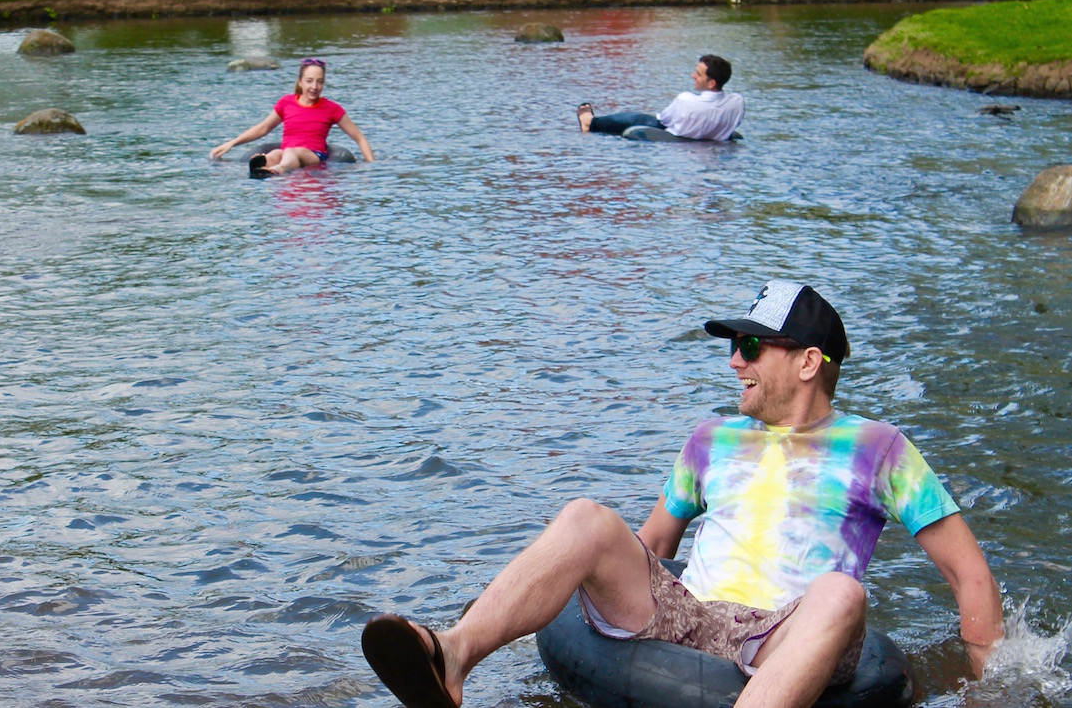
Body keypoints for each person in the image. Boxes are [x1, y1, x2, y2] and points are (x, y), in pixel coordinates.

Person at [362, 280, 1004, 708]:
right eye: (733, 346)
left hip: (790, 629)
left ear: (808, 363)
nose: (734, 361)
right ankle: (451, 654)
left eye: (751, 346)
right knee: (587, 519)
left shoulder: (880, 448)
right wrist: (551, 602)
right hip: (693, 614)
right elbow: (650, 550)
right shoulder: (711, 439)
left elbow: (970, 577)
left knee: (842, 593)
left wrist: (988, 691)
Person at [209, 58, 375, 178]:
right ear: (300, 82)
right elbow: (263, 128)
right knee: (276, 152)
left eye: (319, 82)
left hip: (313, 155)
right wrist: (230, 144)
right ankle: (262, 165)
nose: (314, 87)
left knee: (290, 151)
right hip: (286, 152)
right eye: (309, 81)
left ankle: (279, 169)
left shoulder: (332, 108)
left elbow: (359, 137)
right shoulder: (287, 103)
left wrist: (371, 166)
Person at [578, 54, 744, 142]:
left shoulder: (686, 100)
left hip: (677, 135)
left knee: (640, 118)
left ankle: (590, 122)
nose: (693, 76)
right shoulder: (737, 102)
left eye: (698, 74)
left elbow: (664, 120)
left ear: (711, 83)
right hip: (711, 136)